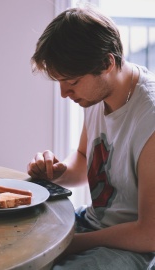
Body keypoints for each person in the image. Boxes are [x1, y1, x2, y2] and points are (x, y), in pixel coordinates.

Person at [28, 6, 155, 270]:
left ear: (107, 63)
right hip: (92, 223)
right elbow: (84, 159)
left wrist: (72, 241)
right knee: (14, 241)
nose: (64, 93)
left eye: (71, 82)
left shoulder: (149, 118)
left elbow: (149, 234)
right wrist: (56, 172)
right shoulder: (97, 97)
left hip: (134, 247)